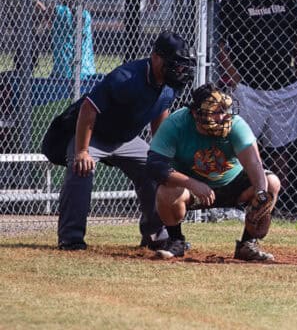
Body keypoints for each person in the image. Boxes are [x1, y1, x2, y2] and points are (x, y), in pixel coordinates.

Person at [51, 30, 195, 250]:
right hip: (95, 134)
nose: (179, 69)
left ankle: (154, 234)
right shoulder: (127, 77)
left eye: (182, 64)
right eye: (174, 63)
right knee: (81, 169)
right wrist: (81, 151)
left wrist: (160, 154)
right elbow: (88, 109)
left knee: (156, 171)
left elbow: (160, 110)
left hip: (126, 139)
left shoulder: (171, 82)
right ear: (156, 57)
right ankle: (71, 239)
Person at [147, 83, 281, 261]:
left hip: (233, 185)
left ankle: (247, 244)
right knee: (166, 189)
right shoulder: (177, 123)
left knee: (271, 182)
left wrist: (262, 194)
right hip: (193, 189)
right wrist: (192, 183)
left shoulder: (236, 124)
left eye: (225, 110)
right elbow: (155, 165)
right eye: (215, 111)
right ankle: (176, 242)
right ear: (195, 113)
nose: (223, 116)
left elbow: (253, 162)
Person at [217, 0, 297, 194]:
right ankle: (238, 191)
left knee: (281, 147)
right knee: (242, 143)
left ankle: (276, 195)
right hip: (248, 85)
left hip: (283, 83)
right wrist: (234, 77)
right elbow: (220, 43)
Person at [50, 0, 96, 80]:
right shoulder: (85, 14)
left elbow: (46, 12)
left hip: (63, 70)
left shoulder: (59, 11)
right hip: (86, 69)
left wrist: (36, 1)